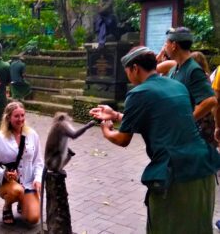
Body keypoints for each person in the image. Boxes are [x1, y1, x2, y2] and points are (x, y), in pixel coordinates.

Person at [89, 46, 220, 234]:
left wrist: (105, 128)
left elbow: (123, 139)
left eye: (127, 71)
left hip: (178, 176)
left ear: (135, 69)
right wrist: (117, 115)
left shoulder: (138, 93)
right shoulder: (176, 85)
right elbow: (159, 118)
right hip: (204, 169)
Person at [0, 101, 44, 225]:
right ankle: (7, 207)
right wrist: (4, 174)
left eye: (22, 115)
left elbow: (38, 161)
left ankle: (22, 202)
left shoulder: (32, 134)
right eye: (16, 116)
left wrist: (38, 179)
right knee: (16, 190)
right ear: (8, 118)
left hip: (28, 182)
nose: (20, 119)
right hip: (8, 184)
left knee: (33, 219)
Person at [164, 27, 217, 147]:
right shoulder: (175, 68)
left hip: (190, 136)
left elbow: (210, 100)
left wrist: (186, 121)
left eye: (166, 43)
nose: (164, 47)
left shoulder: (193, 69)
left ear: (174, 45)